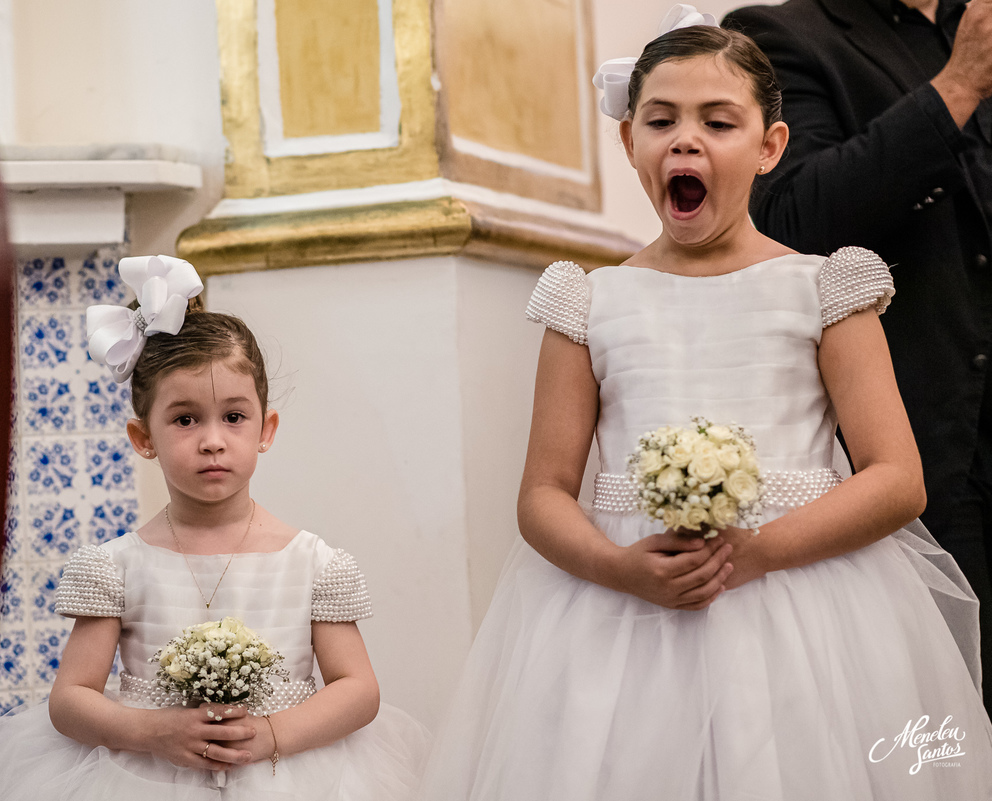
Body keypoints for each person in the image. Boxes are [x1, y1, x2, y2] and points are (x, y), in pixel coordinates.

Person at [418, 8, 992, 799]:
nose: (685, 139)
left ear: (769, 148)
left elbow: (898, 480)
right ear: (630, 144)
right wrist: (619, 566)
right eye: (660, 119)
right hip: (623, 616)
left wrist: (758, 550)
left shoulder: (826, 287)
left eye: (718, 121)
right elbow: (543, 493)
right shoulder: (587, 302)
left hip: (803, 602)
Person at [0, 255, 429, 800]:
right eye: (185, 419)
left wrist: (272, 734)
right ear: (144, 438)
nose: (212, 440)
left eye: (234, 417)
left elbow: (357, 690)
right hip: (146, 776)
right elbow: (70, 699)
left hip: (288, 777)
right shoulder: (116, 566)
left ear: (266, 429)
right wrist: (153, 732)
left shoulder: (313, 563)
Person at [722, 0, 992, 709]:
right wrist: (959, 87)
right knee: (949, 712)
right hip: (921, 437)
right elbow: (795, 219)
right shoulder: (783, 33)